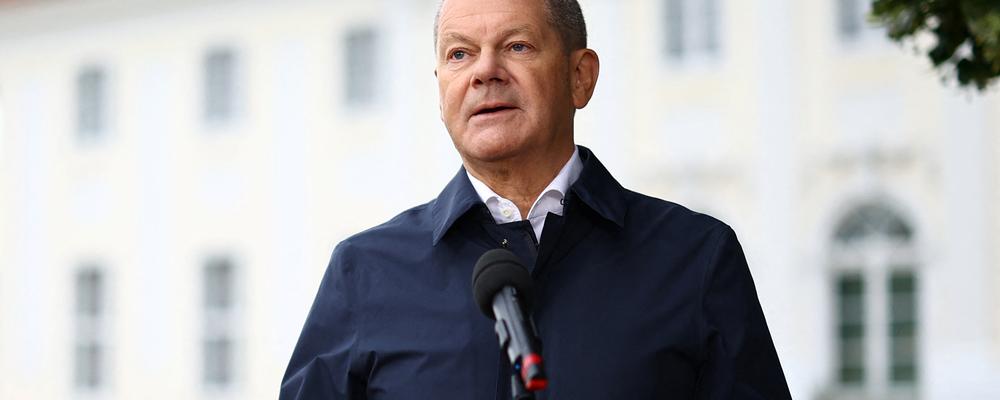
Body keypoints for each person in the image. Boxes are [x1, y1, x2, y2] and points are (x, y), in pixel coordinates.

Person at [280, 0, 791, 398]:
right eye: (459, 54)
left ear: (580, 76)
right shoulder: (364, 272)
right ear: (441, 90)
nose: (484, 72)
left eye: (517, 46)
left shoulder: (695, 258)